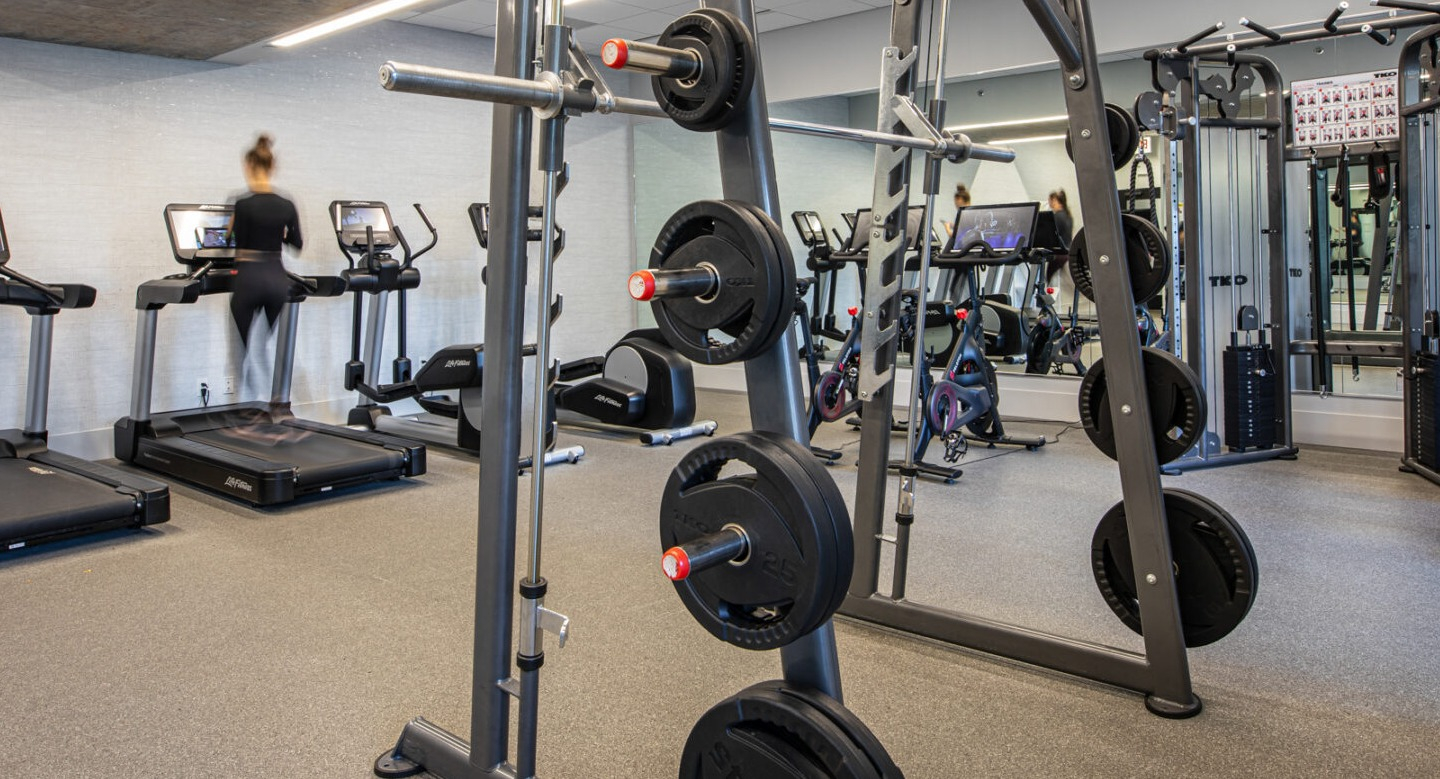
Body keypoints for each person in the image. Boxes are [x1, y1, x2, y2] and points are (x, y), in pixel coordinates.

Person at [230, 134, 302, 404]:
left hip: (249, 276)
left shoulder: (242, 203)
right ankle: (279, 404)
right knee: (263, 347)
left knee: (242, 351)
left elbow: (233, 240)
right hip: (276, 277)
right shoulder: (286, 204)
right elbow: (296, 244)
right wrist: (278, 234)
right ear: (273, 167)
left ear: (248, 166)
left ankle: (242, 407)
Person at [1045, 188, 1074, 283]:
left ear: (1054, 200)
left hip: (1058, 255)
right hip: (1066, 253)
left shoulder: (1056, 216)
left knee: (1047, 281)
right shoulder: (1067, 215)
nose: (1049, 204)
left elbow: (1051, 236)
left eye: (1050, 201)